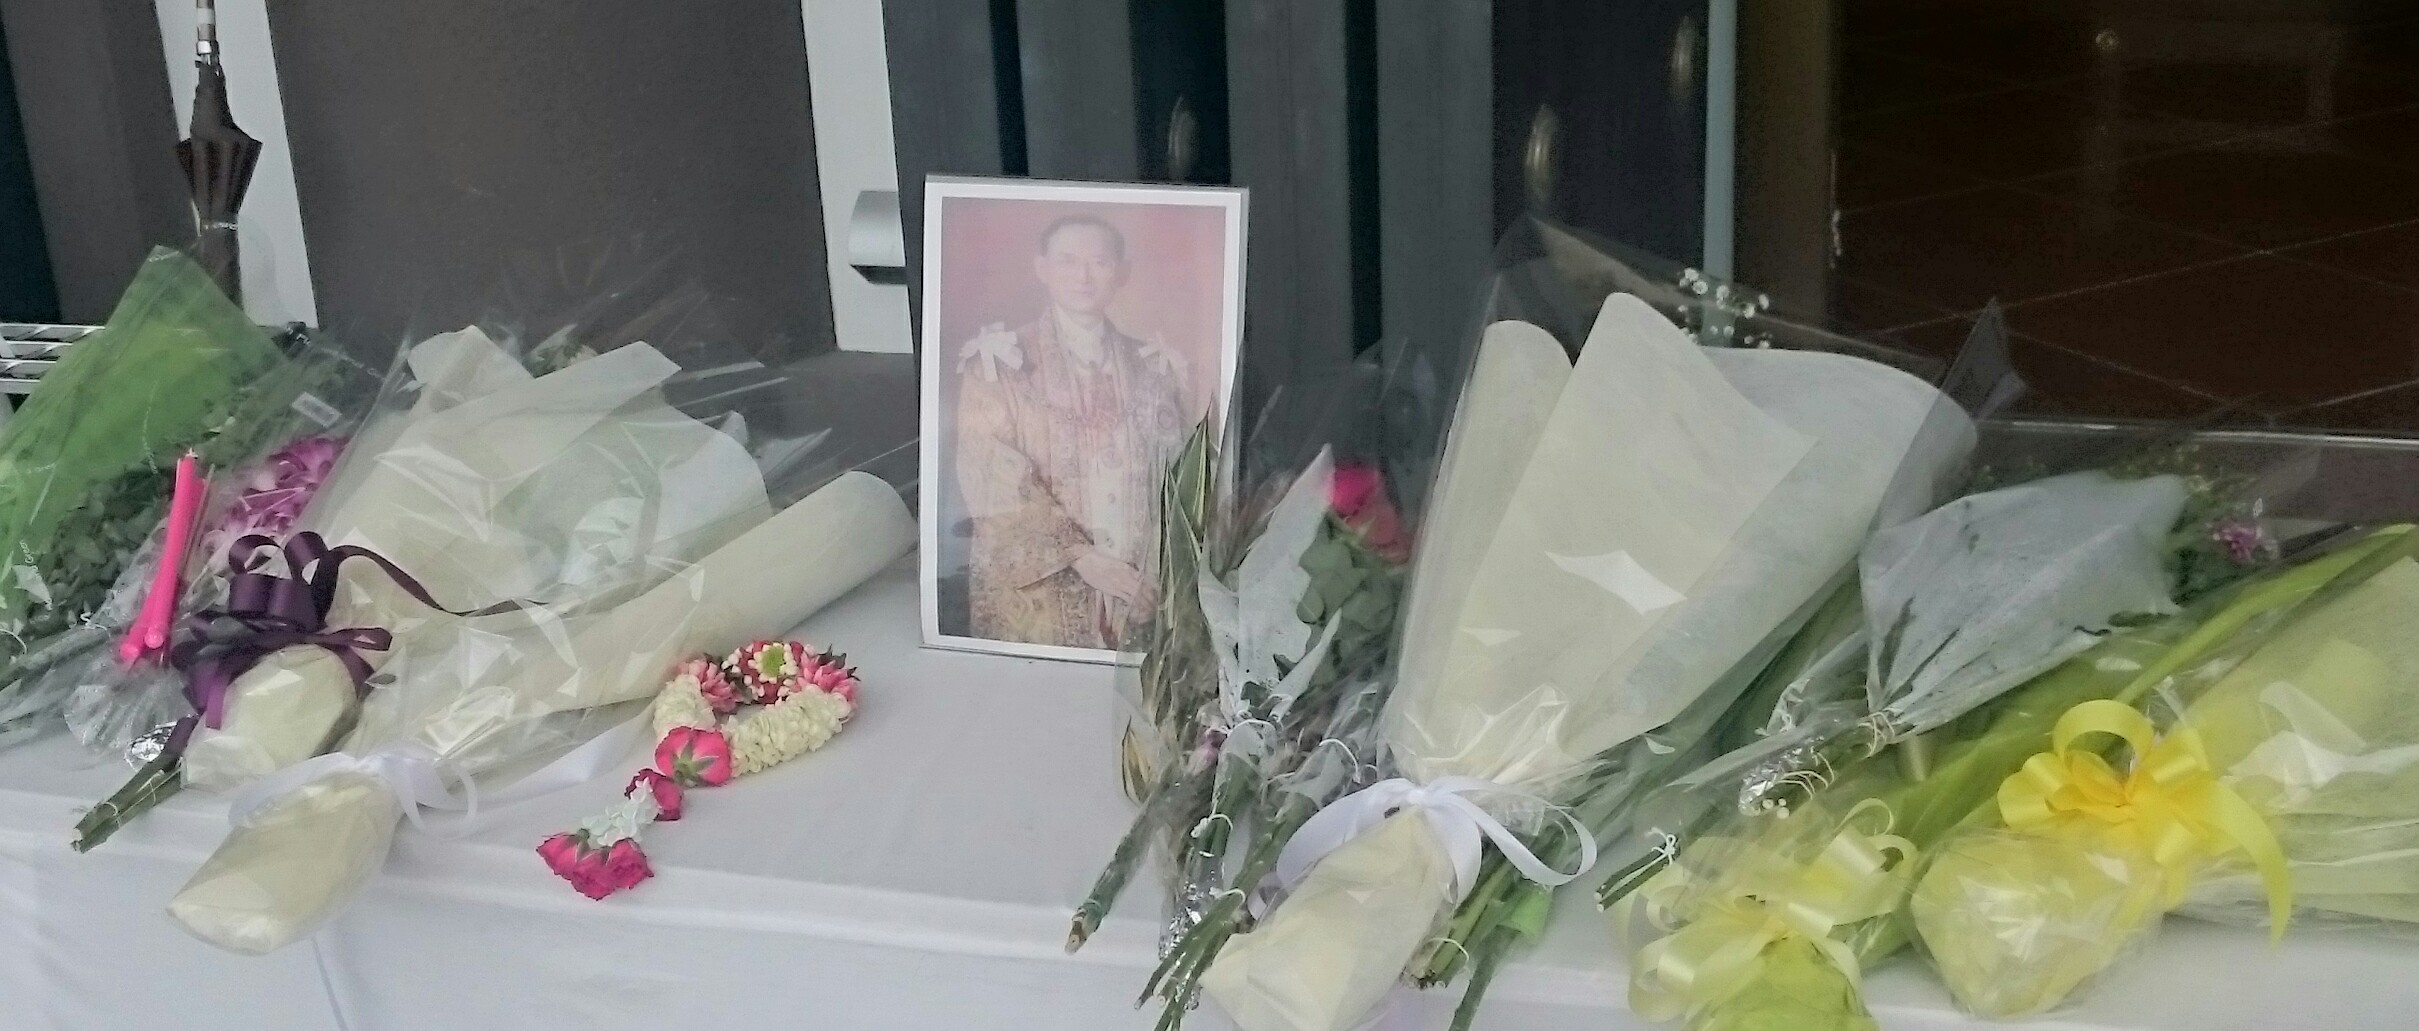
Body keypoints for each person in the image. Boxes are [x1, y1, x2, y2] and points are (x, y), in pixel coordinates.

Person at [953, 213, 1196, 650]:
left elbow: (1182, 487)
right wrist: (1080, 557)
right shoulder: (998, 365)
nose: (1083, 277)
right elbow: (989, 475)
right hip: (1043, 602)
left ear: (1121, 272)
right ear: (1042, 269)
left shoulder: (1155, 370)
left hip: (1138, 594)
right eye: (1067, 261)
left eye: (1099, 262)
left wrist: (1155, 577)